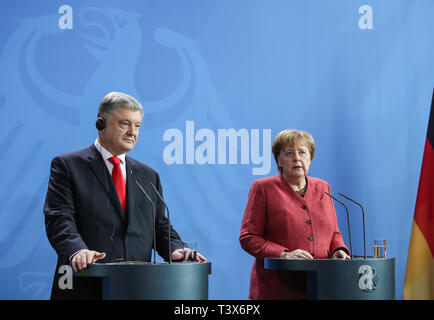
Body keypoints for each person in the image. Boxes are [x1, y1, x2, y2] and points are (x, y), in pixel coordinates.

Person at [44, 92, 206, 299]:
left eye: (137, 125)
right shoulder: (68, 166)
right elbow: (59, 218)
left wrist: (175, 249)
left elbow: (159, 226)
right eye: (125, 124)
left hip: (136, 287)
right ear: (101, 124)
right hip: (85, 283)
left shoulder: (148, 175)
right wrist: (78, 251)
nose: (132, 132)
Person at [239, 129, 350, 300]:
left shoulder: (323, 187)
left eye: (302, 152)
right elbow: (248, 237)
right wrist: (283, 254)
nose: (297, 158)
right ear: (278, 160)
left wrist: (338, 249)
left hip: (322, 287)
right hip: (277, 289)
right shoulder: (263, 188)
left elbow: (334, 232)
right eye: (289, 153)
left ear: (310, 158)